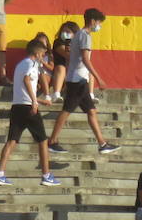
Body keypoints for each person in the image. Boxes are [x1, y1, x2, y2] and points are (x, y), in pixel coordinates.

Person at [47, 8, 119, 155]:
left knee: (91, 111)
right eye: (99, 22)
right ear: (93, 21)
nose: (99, 26)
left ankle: (102, 143)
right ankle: (52, 141)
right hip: (78, 79)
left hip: (78, 78)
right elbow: (85, 59)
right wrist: (98, 78)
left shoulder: (78, 35)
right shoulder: (85, 36)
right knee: (67, 110)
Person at [0, 39, 60, 187]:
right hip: (28, 108)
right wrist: (36, 102)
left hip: (17, 106)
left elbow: (23, 90)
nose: (43, 57)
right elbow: (27, 80)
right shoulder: (31, 64)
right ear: (37, 53)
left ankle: (0, 173)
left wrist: (40, 101)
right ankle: (46, 174)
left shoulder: (20, 65)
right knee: (42, 140)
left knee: (12, 140)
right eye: (42, 54)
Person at [48, 21, 78, 102]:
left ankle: (90, 95)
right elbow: (68, 56)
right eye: (63, 31)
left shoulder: (78, 44)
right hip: (59, 72)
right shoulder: (58, 42)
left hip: (73, 71)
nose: (65, 33)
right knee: (61, 68)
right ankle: (56, 94)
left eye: (68, 32)